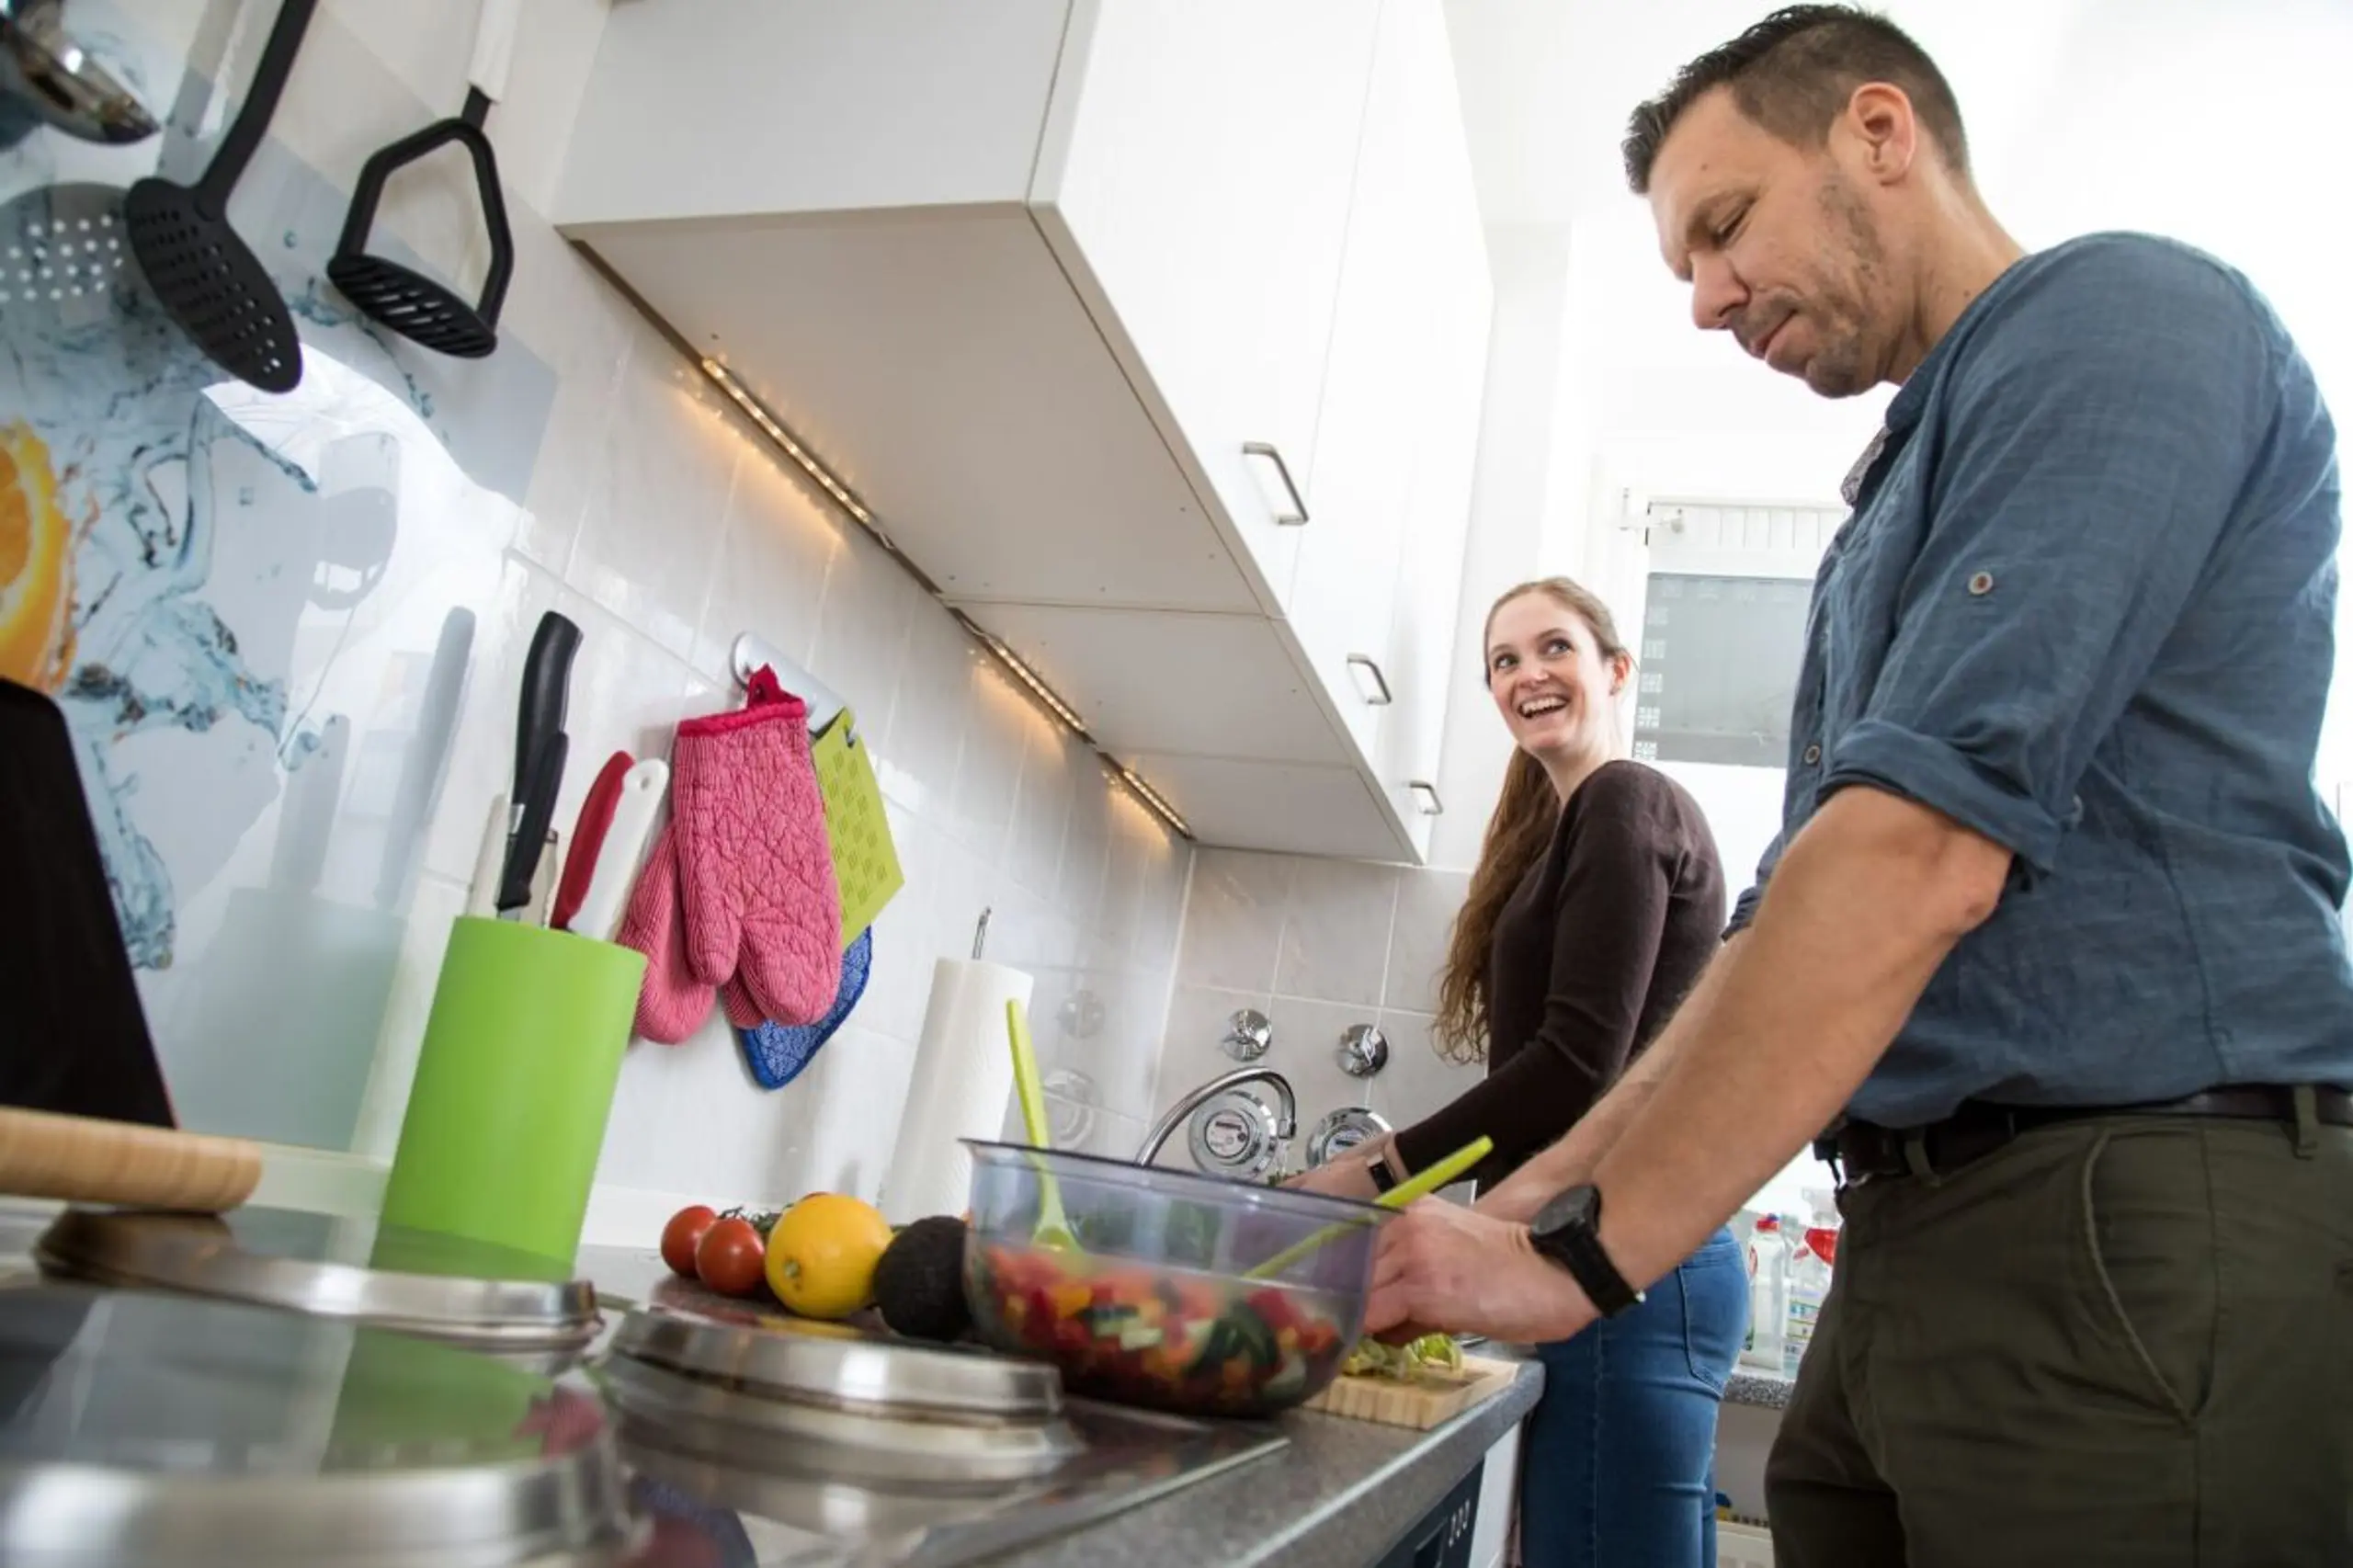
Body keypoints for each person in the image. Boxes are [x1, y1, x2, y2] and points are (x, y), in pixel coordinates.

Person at [1360, 7, 2353, 1567]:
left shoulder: (2120, 316)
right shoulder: (1889, 504)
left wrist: (1583, 1260)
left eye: (1725, 225)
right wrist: (1531, 1200)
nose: (1702, 300)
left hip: (2133, 1211)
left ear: (1878, 134)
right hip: (1914, 1228)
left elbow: (1917, 859)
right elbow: (1773, 934)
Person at [1290, 575, 1745, 1567]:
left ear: (1615, 669)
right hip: (1613, 1249)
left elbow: (1573, 1068)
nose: (1527, 673)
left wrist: (1367, 1173)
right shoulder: (1567, 832)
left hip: (1626, 1253)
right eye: (1504, 659)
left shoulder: (1628, 799)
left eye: (1554, 648)